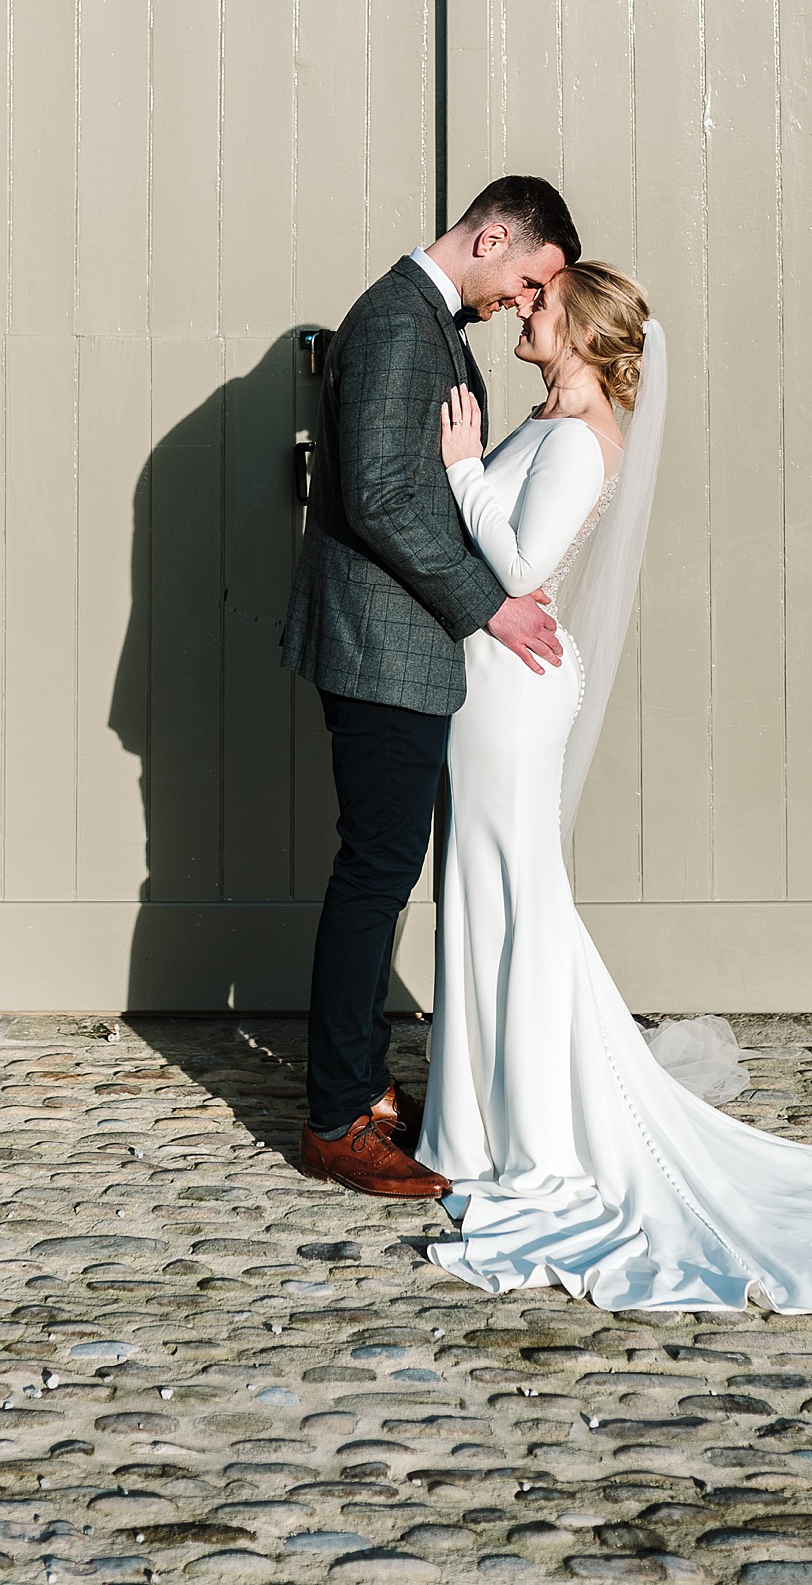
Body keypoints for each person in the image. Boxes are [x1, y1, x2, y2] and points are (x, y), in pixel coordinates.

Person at [417, 262, 812, 1313]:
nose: (523, 307)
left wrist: (463, 469)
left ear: (583, 335)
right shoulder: (549, 419)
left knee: (515, 895)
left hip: (512, 693)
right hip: (493, 686)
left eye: (542, 304)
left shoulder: (572, 438)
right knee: (495, 892)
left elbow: (518, 565)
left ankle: (527, 1131)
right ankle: (481, 1113)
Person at [282, 174, 582, 1199]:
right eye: (529, 279)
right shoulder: (399, 321)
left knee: (383, 865)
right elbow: (375, 494)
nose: (524, 304)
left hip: (400, 642)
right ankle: (332, 1120)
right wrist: (486, 607)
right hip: (381, 642)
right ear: (491, 236)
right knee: (373, 872)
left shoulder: (427, 323)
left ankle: (360, 1086)